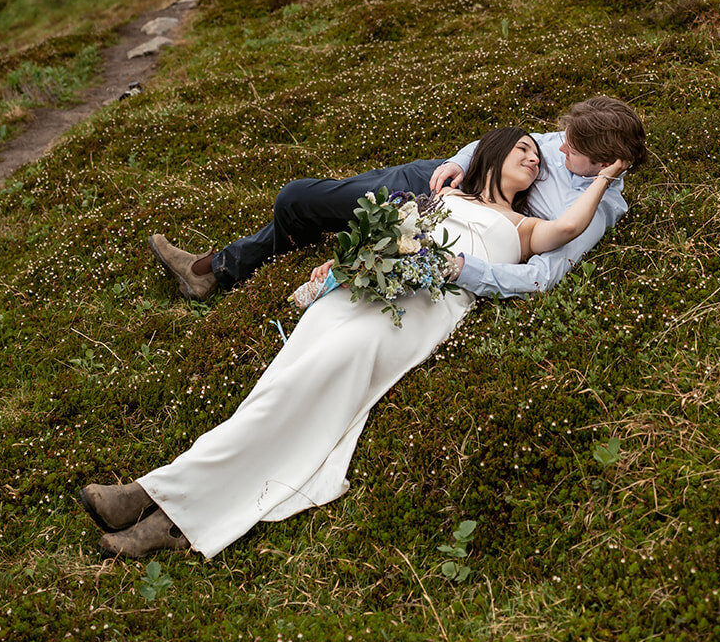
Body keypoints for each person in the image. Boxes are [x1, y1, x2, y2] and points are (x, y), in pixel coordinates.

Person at [81, 110, 646, 562]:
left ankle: (165, 503)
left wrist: (597, 182)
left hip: (422, 303)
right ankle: (168, 502)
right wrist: (345, 264)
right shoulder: (451, 191)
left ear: (600, 162)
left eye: (553, 151)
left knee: (328, 373)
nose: (543, 153)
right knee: (286, 377)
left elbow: (553, 255)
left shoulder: (538, 222)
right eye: (526, 148)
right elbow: (420, 210)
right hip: (372, 284)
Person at [147, 96, 647, 299]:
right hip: (444, 181)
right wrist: (461, 157)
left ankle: (214, 270)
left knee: (302, 204)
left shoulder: (595, 208)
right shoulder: (568, 141)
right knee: (299, 199)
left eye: (573, 149)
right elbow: (517, 143)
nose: (558, 148)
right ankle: (222, 266)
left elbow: (543, 276)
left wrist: (460, 269)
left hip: (471, 219)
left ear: (606, 164)